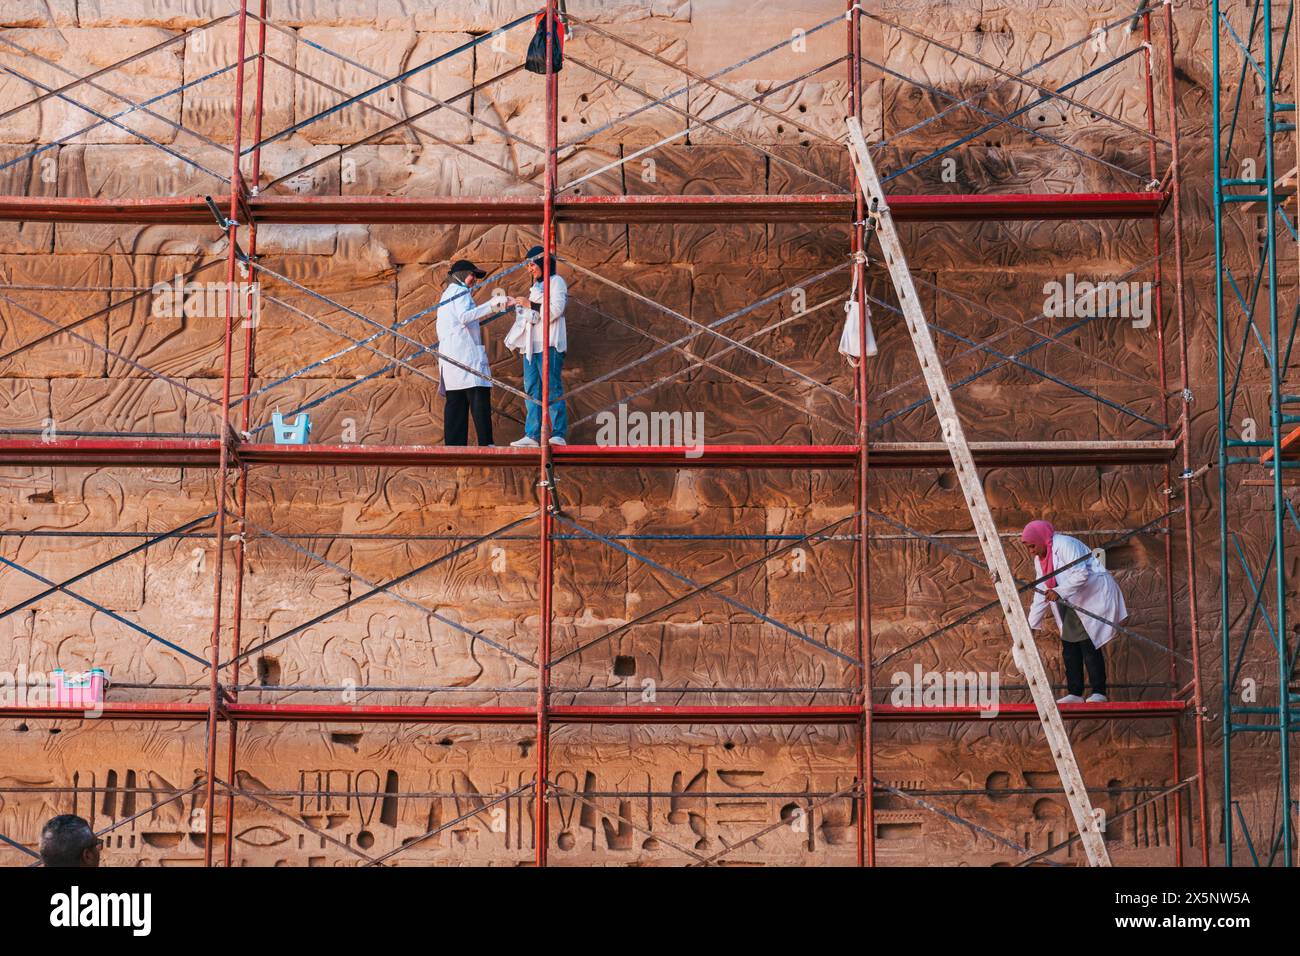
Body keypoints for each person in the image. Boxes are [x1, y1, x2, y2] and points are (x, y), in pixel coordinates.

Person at [1021, 519, 1127, 704]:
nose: (1032, 551)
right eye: (1029, 548)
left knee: (1088, 644)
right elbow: (1041, 590)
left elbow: (1081, 574)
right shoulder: (1041, 559)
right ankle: (1075, 692)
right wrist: (1029, 626)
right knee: (1070, 647)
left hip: (1090, 597)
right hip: (1071, 602)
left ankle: (1098, 692)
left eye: (1032, 546)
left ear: (1040, 539)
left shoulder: (1065, 544)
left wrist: (1058, 591)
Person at [504, 245, 568, 447]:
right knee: (531, 388)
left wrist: (528, 305)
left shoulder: (556, 282)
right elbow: (534, 316)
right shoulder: (535, 288)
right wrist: (520, 306)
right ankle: (532, 435)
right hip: (531, 346)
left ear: (542, 262)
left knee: (552, 388)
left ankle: (558, 433)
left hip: (549, 344)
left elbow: (555, 310)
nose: (529, 269)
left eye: (531, 264)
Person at [436, 259, 497, 446]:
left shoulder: (446, 294)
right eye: (472, 275)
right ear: (461, 274)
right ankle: (486, 444)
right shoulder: (460, 291)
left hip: (451, 359)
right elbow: (464, 316)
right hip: (466, 358)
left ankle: (454, 447)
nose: (474, 280)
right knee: (479, 398)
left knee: (456, 404)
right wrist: (494, 304)